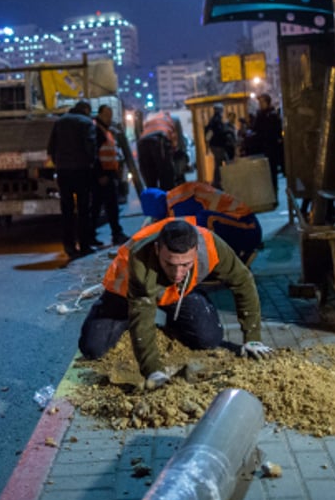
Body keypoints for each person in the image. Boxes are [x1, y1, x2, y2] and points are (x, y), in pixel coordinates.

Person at [78, 218, 273, 388]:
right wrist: (153, 370)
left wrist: (252, 337)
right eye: (170, 264)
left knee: (208, 339)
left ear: (196, 250)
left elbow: (243, 281)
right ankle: (116, 318)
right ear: (157, 250)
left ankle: (175, 322)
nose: (178, 273)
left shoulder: (211, 245)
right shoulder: (140, 261)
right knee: (93, 348)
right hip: (125, 295)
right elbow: (142, 313)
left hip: (178, 292)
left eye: (185, 265)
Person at [140, 181, 263, 264]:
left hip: (249, 229)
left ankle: (232, 258)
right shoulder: (174, 198)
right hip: (245, 226)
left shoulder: (180, 205)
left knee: (199, 222)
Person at [48, 99, 98, 258]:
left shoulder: (60, 122)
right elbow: (90, 147)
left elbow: (51, 147)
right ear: (85, 109)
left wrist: (59, 164)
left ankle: (69, 246)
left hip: (63, 171)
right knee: (84, 209)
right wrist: (91, 164)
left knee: (67, 210)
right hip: (81, 170)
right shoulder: (86, 122)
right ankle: (84, 245)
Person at [91, 104, 130, 246]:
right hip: (103, 175)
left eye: (110, 115)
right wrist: (100, 174)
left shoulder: (105, 130)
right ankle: (115, 234)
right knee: (107, 206)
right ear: (100, 114)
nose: (109, 118)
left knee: (102, 206)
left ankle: (94, 235)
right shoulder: (97, 130)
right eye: (107, 115)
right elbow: (94, 154)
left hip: (108, 173)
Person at [247, 93, 284, 204]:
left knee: (272, 174)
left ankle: (273, 197)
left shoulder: (272, 115)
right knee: (264, 175)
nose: (260, 104)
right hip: (262, 148)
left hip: (270, 148)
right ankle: (267, 197)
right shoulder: (260, 115)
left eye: (262, 102)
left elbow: (274, 131)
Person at [137, 109, 178, 190]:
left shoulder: (150, 120)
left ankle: (153, 198)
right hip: (159, 140)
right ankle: (166, 199)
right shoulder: (172, 119)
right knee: (166, 176)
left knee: (150, 179)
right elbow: (175, 142)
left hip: (142, 142)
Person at [204, 104, 237, 188]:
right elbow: (220, 132)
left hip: (214, 145)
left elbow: (209, 134)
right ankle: (222, 181)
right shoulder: (217, 121)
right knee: (224, 162)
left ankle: (217, 181)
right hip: (219, 145)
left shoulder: (212, 120)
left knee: (218, 163)